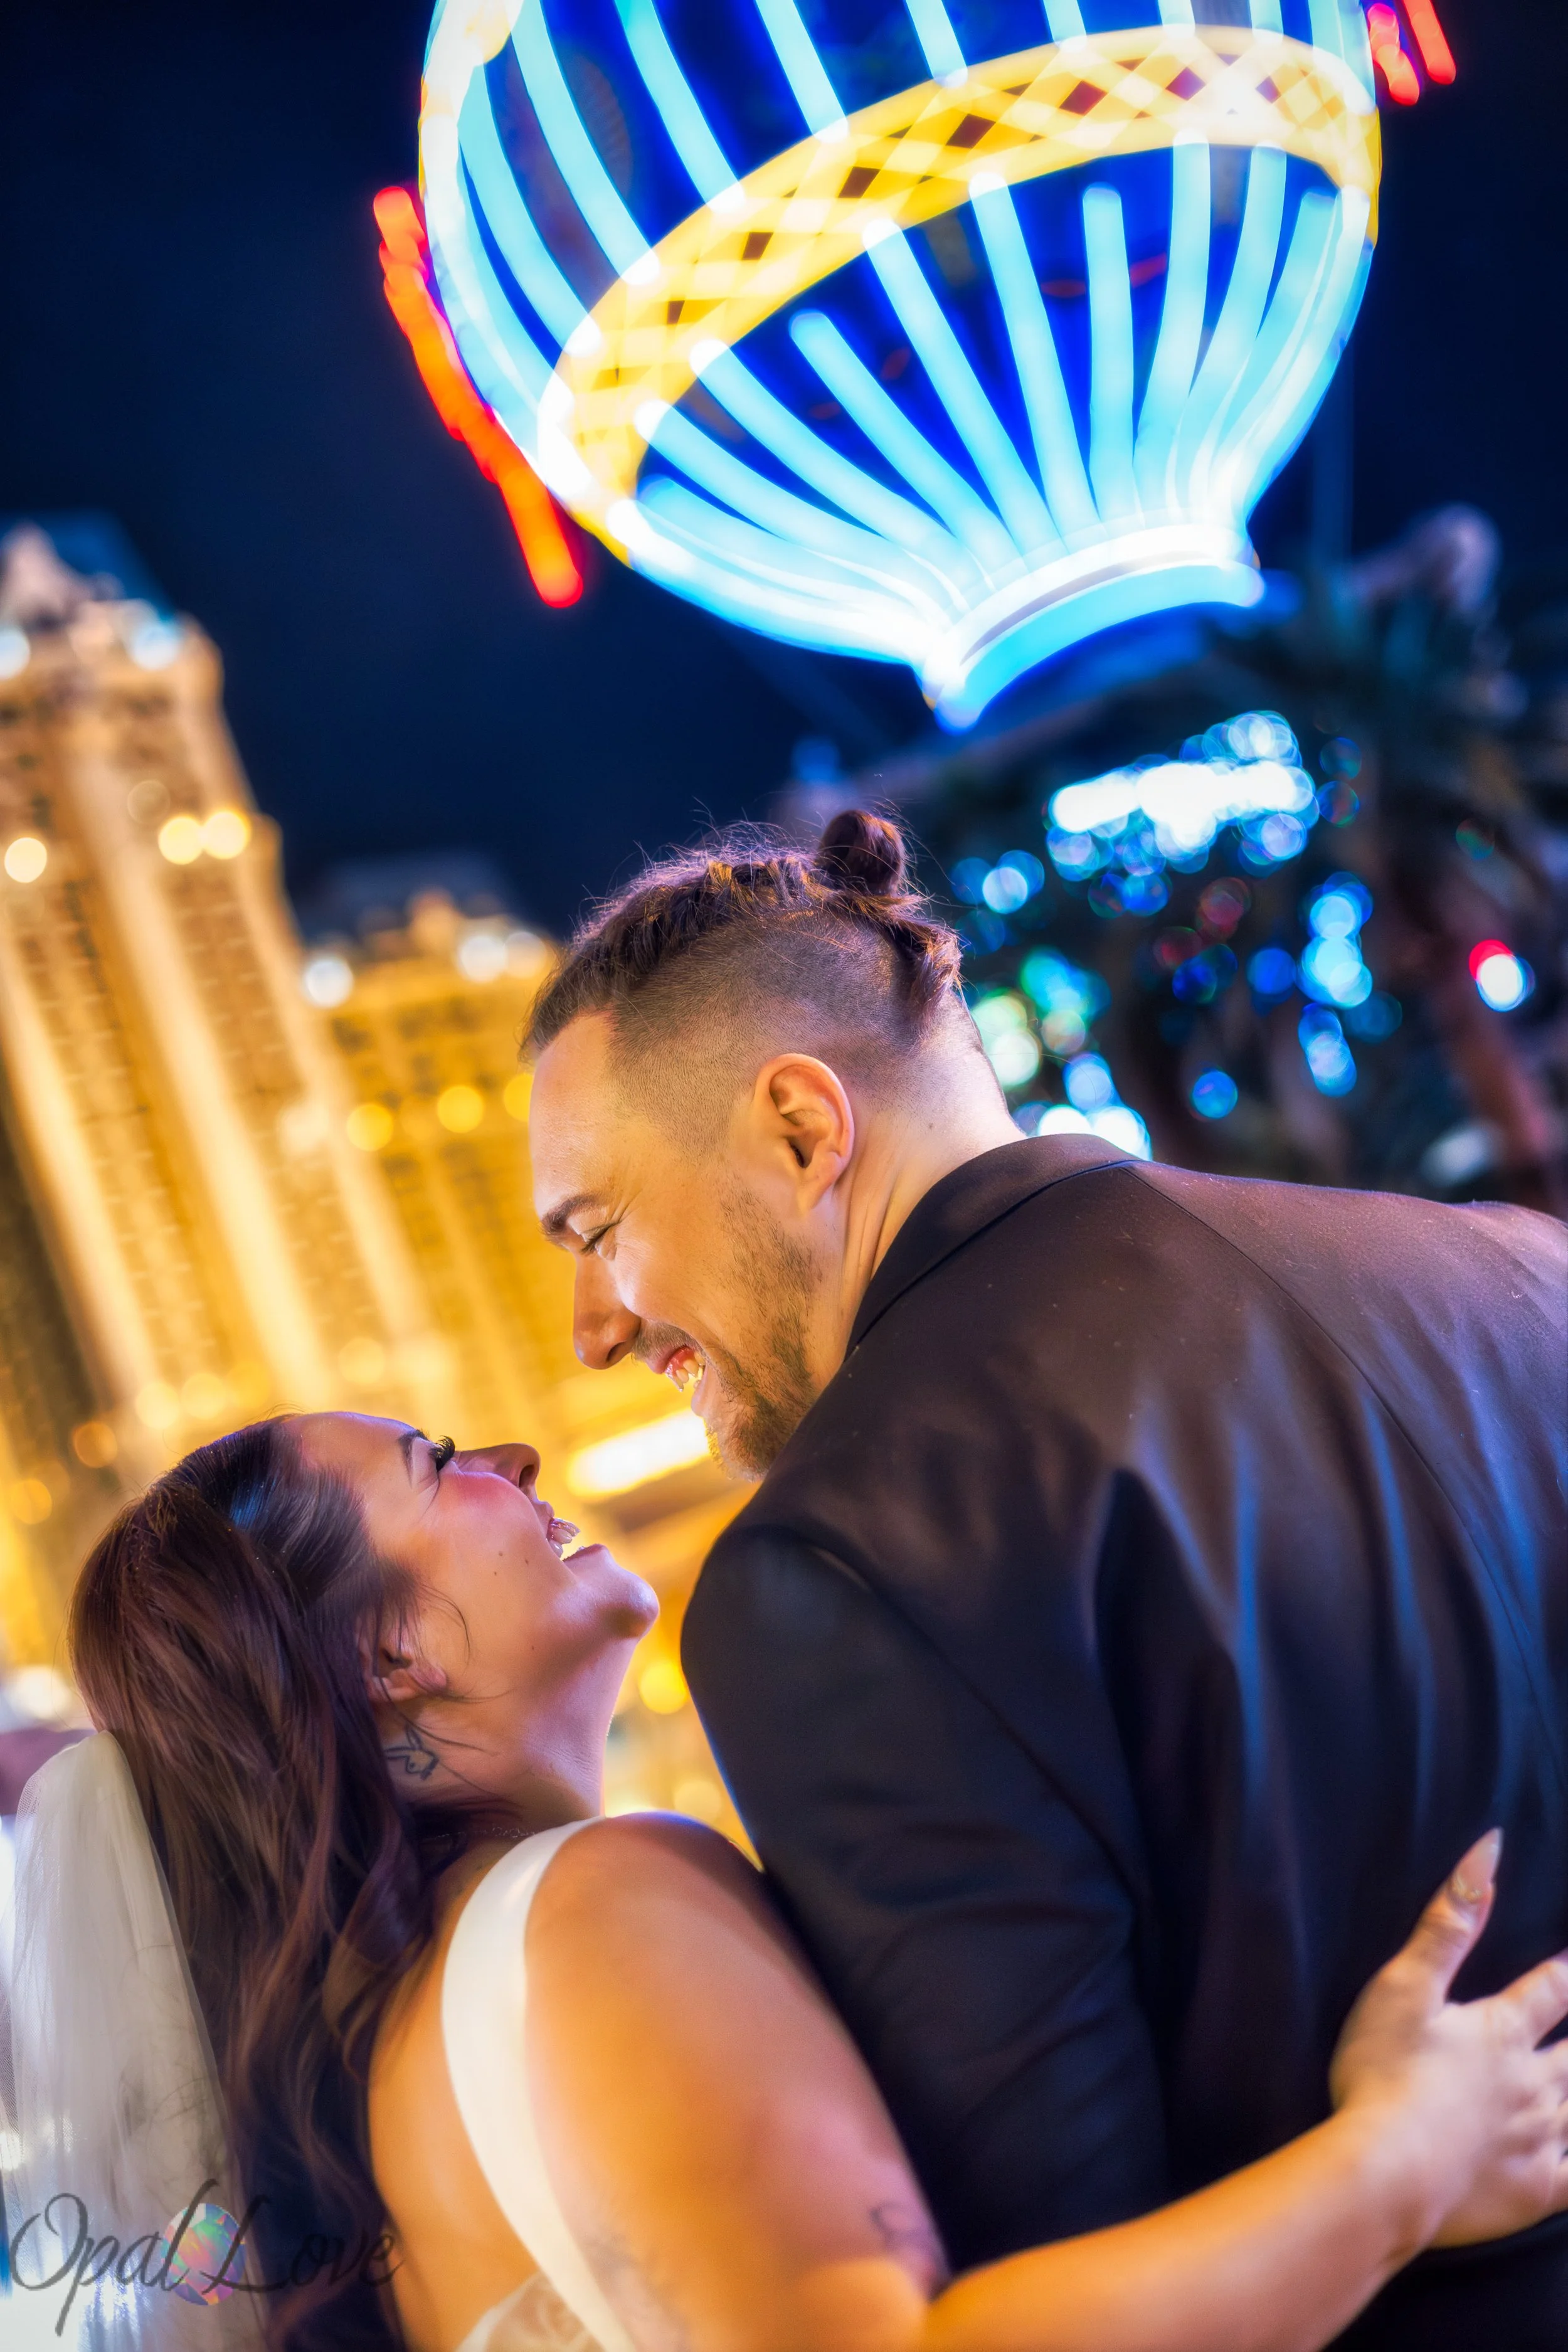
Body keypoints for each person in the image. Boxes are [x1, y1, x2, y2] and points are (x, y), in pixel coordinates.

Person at [524, 808, 1568, 2349]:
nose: (593, 1329)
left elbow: (1060, 2259)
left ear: (804, 1129)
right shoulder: (1514, 1272)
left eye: (598, 1231)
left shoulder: (835, 1564)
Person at [13, 1411, 1568, 2352]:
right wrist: (1401, 2158)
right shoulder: (593, 1905)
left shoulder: (402, 2065)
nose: (513, 1454)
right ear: (386, 1654)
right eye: (435, 1463)